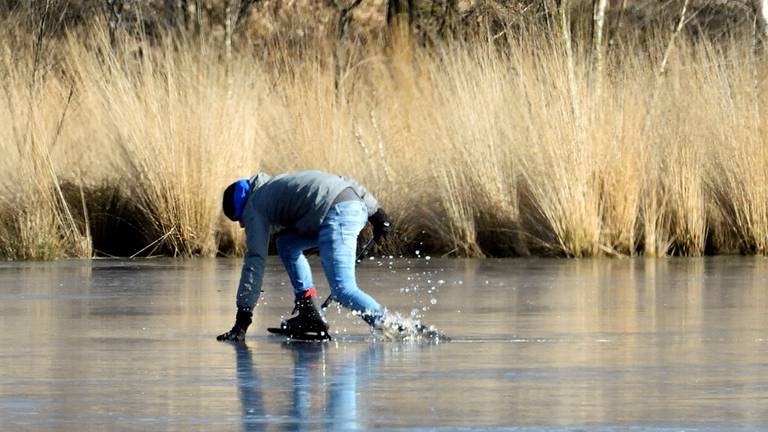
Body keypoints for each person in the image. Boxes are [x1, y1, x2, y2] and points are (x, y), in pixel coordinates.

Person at [216, 170, 393, 342]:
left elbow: (255, 260)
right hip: (351, 206)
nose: (241, 224)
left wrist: (242, 319)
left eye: (238, 218)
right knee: (286, 244)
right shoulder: (276, 184)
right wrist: (377, 213)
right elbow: (343, 180)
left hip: (337, 214)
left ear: (241, 207)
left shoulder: (253, 205)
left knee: (343, 290)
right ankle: (310, 312)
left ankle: (394, 327)